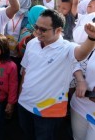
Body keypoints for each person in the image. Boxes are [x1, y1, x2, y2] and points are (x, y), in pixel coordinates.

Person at [18, 9, 95, 139]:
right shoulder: (32, 43)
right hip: (24, 105)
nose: (37, 32)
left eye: (43, 29)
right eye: (36, 27)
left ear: (58, 30)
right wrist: (20, 97)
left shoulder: (67, 48)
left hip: (49, 113)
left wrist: (91, 37)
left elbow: (81, 53)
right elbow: (25, 72)